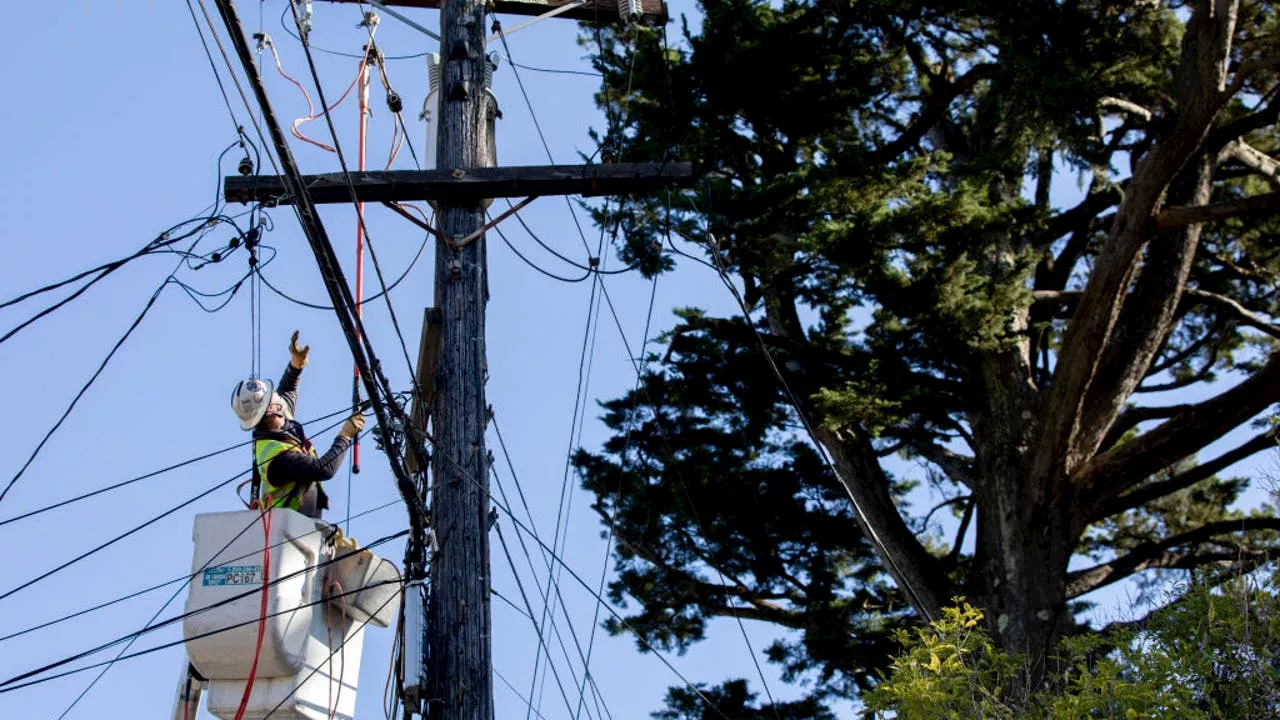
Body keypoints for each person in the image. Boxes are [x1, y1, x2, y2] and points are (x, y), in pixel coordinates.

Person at [230, 331, 364, 518]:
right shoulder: (277, 457)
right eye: (272, 398)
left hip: (303, 527)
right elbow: (323, 469)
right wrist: (345, 436)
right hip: (286, 532)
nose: (277, 397)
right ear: (269, 411)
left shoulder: (276, 422)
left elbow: (288, 391)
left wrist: (296, 365)